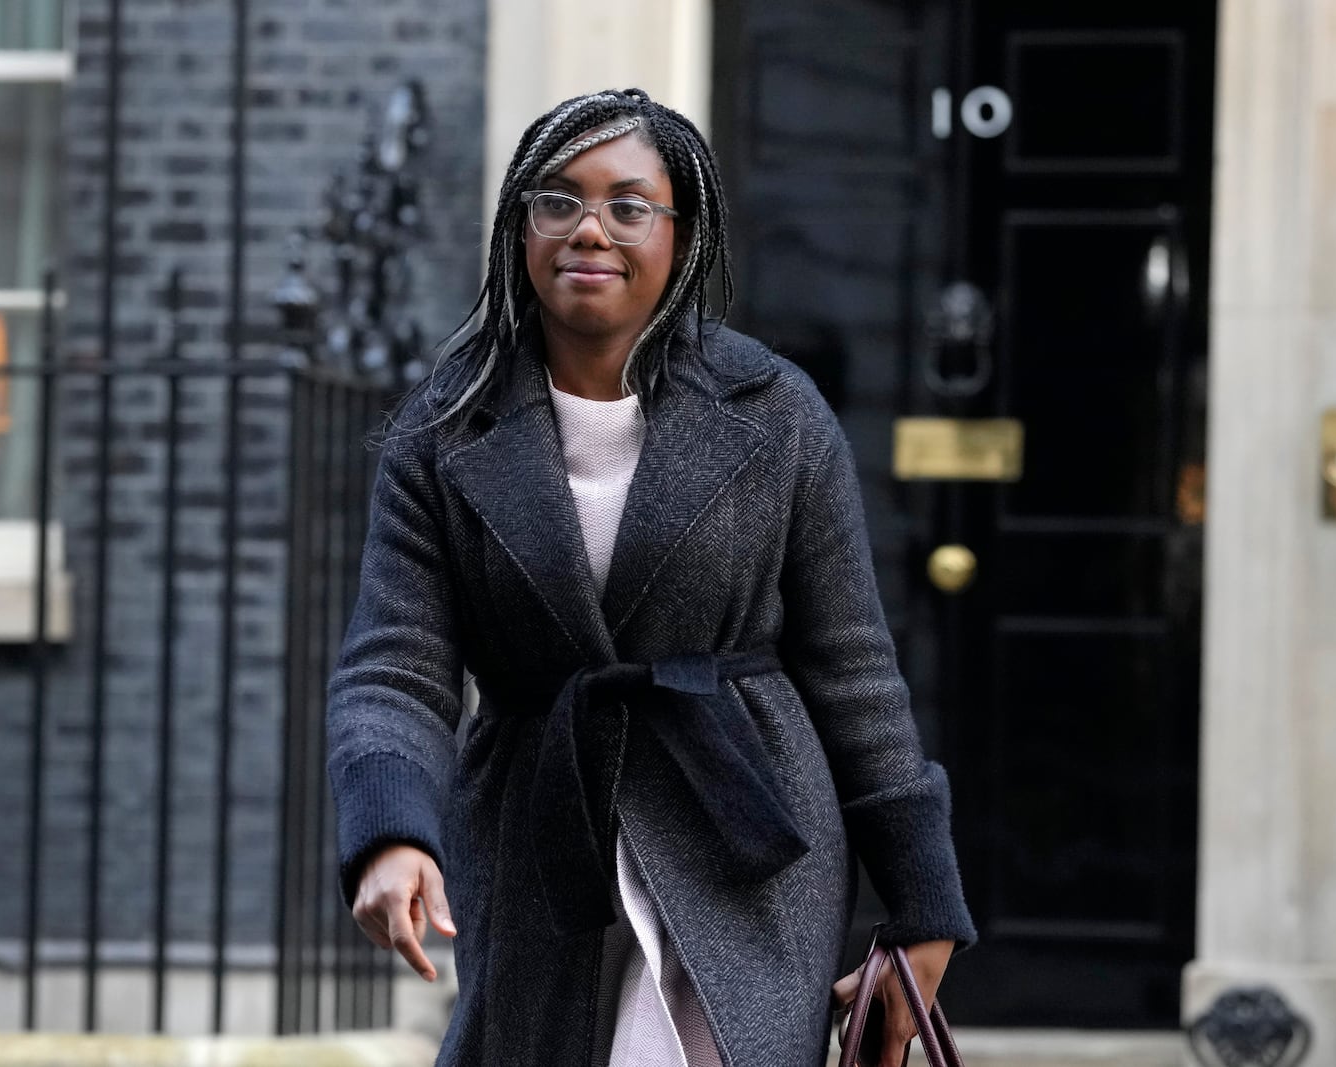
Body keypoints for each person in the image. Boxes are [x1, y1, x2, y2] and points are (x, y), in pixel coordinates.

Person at [327, 87, 976, 1067]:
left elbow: (852, 668)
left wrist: (924, 898)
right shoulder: (442, 428)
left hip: (745, 837)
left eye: (629, 205)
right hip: (545, 839)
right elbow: (394, 667)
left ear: (683, 233)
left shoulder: (776, 411)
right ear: (520, 225)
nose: (591, 228)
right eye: (559, 199)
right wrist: (389, 831)